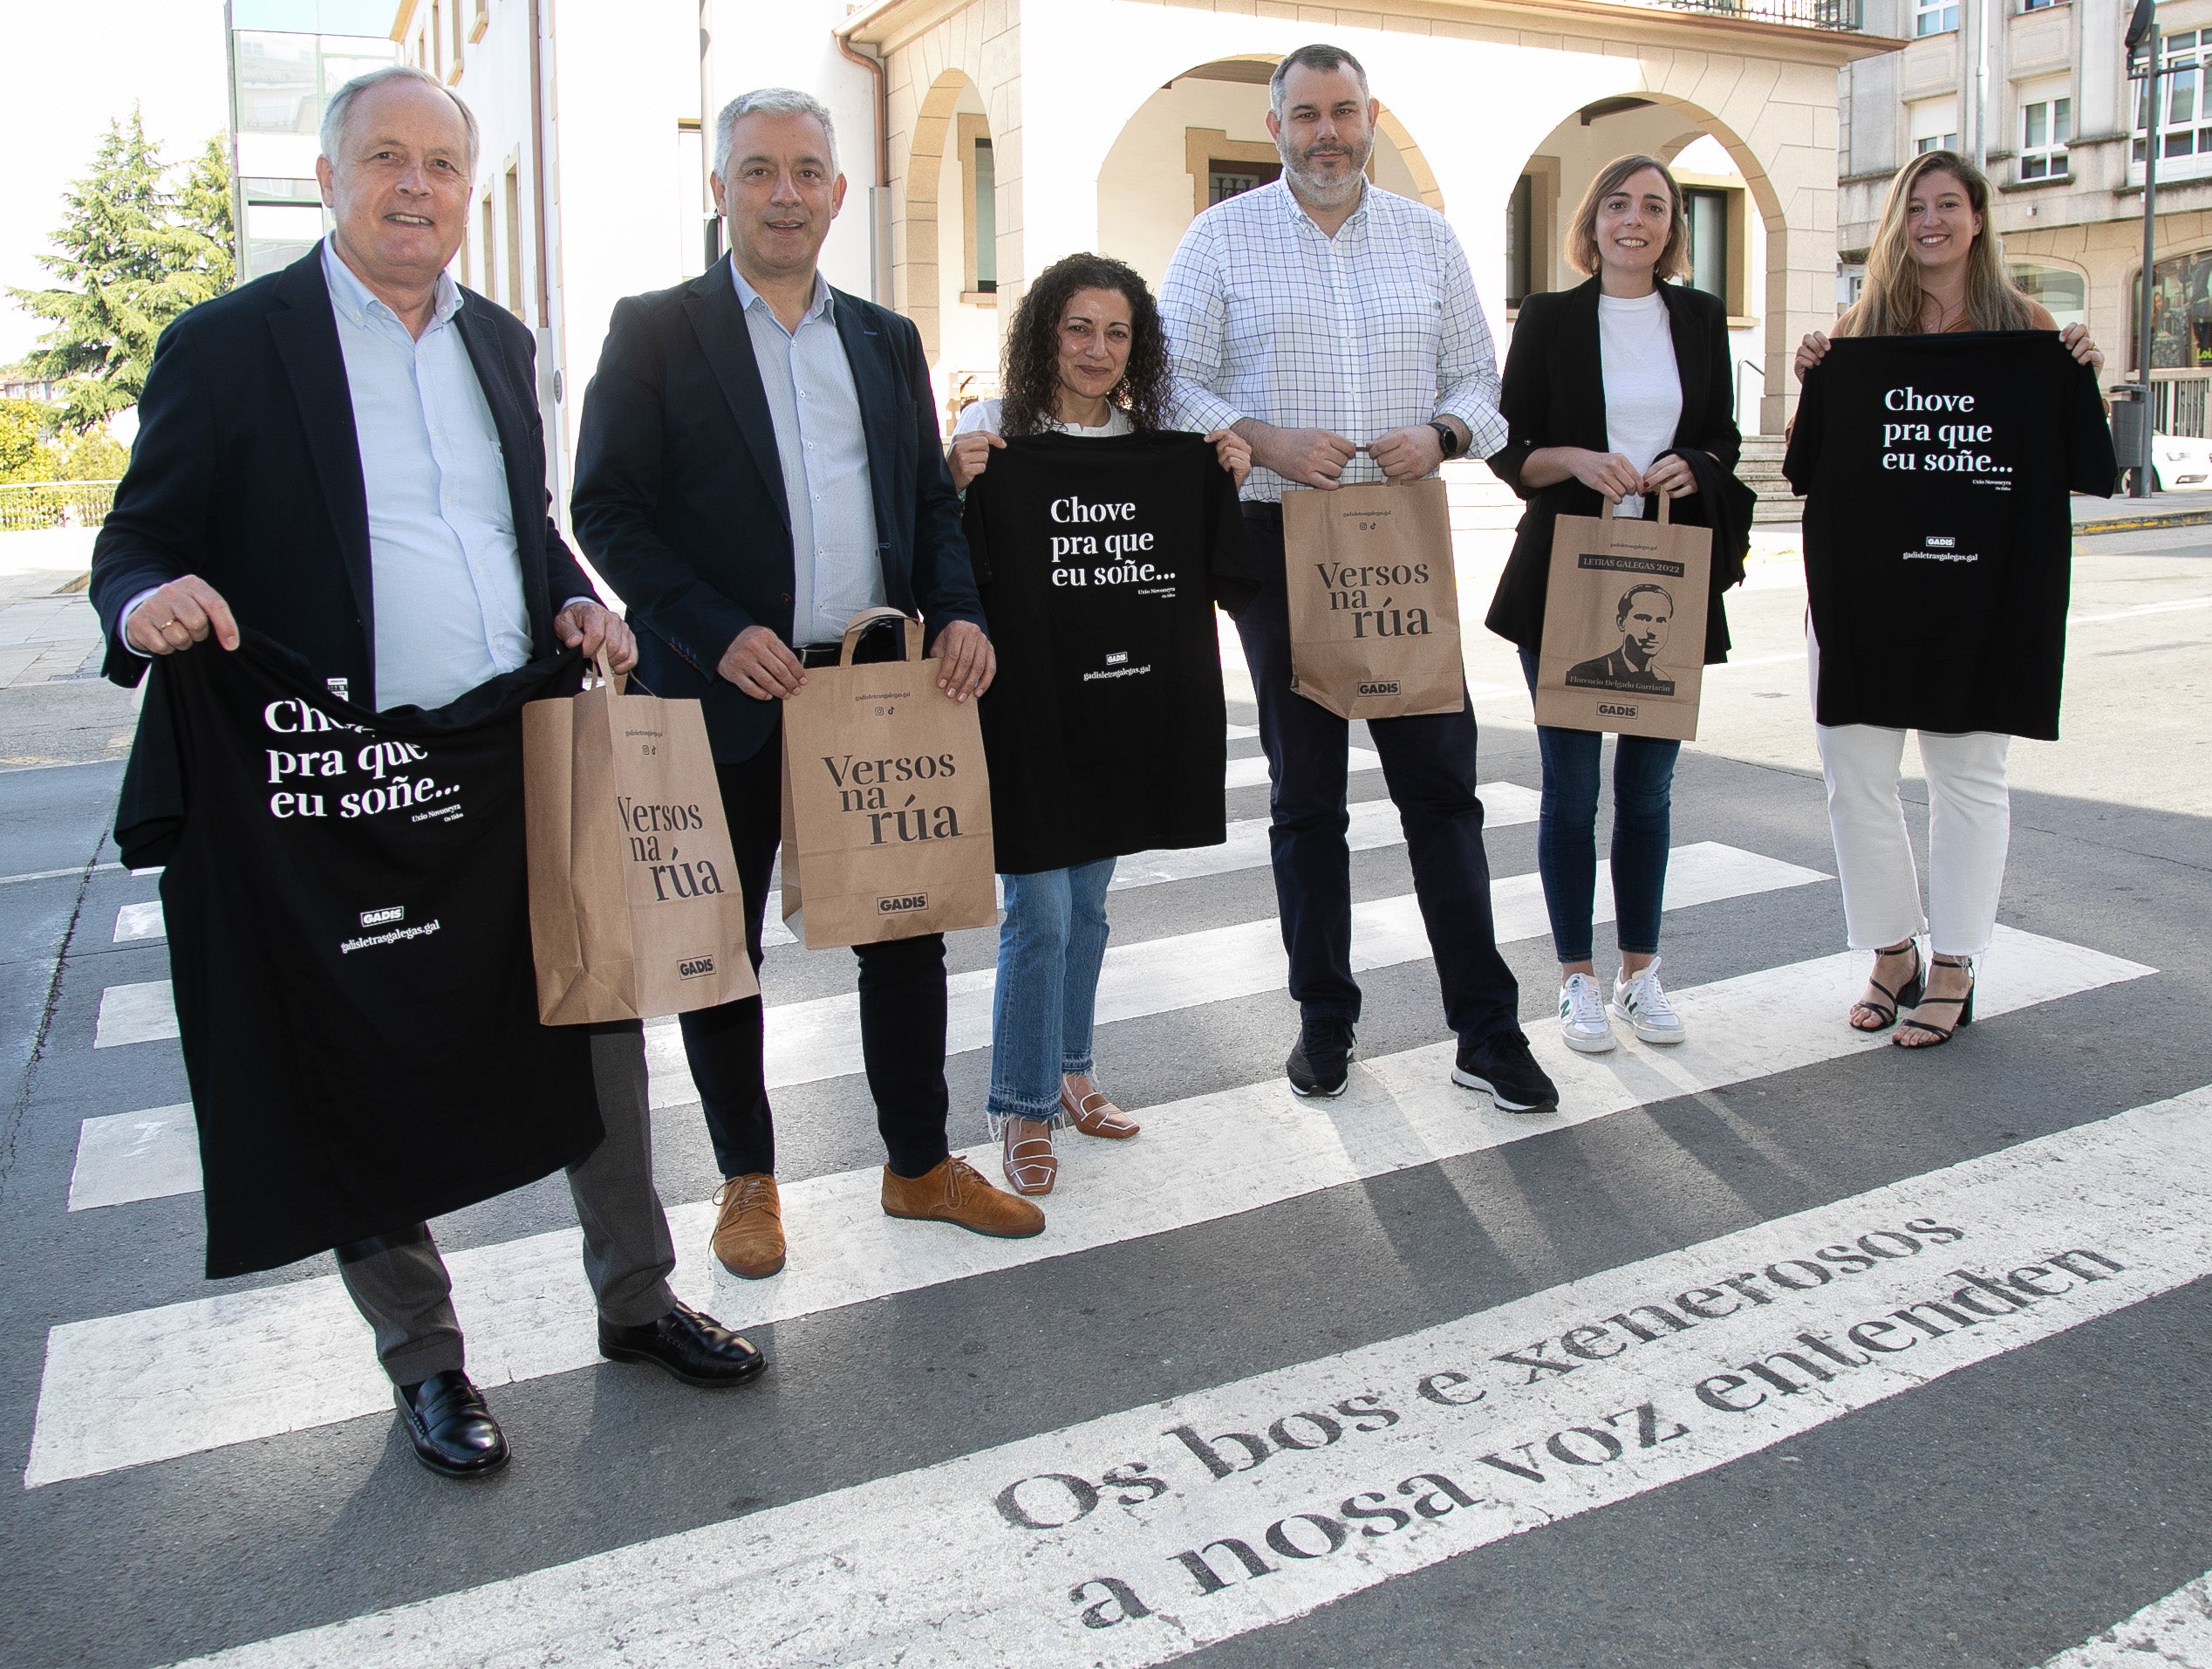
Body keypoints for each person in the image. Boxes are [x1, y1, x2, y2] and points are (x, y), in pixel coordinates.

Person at [87, 65, 764, 1481]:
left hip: (500, 753)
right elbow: (136, 539)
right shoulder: (229, 347)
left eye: (440, 164)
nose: (415, 186)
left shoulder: (500, 345)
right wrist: (143, 603)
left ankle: (636, 1301)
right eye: (385, 159)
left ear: (465, 189)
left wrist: (577, 601)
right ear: (330, 180)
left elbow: (520, 530)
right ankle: (429, 1361)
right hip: (327, 784)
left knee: (596, 1018)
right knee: (354, 1060)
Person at [571, 87, 1042, 1276]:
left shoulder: (884, 339)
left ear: (839, 193)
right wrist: (716, 627)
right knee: (720, 946)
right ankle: (748, 1179)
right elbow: (607, 511)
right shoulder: (654, 330)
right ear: (719, 188)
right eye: (760, 170)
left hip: (869, 687)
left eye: (807, 172)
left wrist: (964, 614)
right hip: (722, 685)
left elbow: (932, 505)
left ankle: (919, 1163)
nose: (785, 192)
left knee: (905, 928)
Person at [1160, 43, 1558, 1113]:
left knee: (1443, 793)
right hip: (1270, 543)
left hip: (1396, 540)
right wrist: (1258, 436)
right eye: (1305, 115)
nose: (1325, 133)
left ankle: (1485, 1027)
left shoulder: (1427, 241)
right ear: (1274, 123)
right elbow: (1163, 383)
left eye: (1343, 112)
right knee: (1307, 801)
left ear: (1369, 117)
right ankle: (1324, 1021)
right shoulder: (1220, 239)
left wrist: (1441, 430)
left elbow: (1484, 382)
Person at [947, 252, 1252, 1194]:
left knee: (1087, 905)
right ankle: (1020, 1103)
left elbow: (1215, 562)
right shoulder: (991, 431)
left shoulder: (1155, 446)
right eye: (1078, 327)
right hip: (1024, 713)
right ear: (1045, 331)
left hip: (1120, 710)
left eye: (1115, 331)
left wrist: (1224, 476)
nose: (1096, 347)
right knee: (1035, 910)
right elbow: (942, 554)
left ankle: (1072, 1069)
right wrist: (953, 478)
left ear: (1137, 346)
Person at [1793, 148, 2103, 1046]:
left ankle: (1957, 963)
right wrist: (1817, 370)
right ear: (1899, 222)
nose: (1929, 220)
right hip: (1866, 589)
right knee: (1854, 771)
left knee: (1968, 775)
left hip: (1979, 593)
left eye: (1947, 205)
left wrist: (2075, 366)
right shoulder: (1862, 326)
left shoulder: (2026, 326)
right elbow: (1807, 457)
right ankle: (1892, 952)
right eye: (1914, 205)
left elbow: (2078, 462)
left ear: (1976, 219)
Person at [1485, 154, 1756, 1055]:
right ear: (1592, 221)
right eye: (1617, 204)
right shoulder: (1553, 319)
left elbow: (1721, 435)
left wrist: (1698, 464)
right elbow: (1508, 448)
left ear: (1671, 225)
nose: (1633, 220)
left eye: (1653, 206)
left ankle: (1641, 975)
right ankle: (1576, 981)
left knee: (1646, 791)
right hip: (1567, 571)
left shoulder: (1700, 315)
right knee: (1568, 793)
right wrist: (1578, 459)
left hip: (1666, 574)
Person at [1565, 584, 1677, 695]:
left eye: (1661, 620)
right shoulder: (1585, 672)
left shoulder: (1665, 679)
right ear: (1621, 622)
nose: (1652, 631)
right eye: (1643, 618)